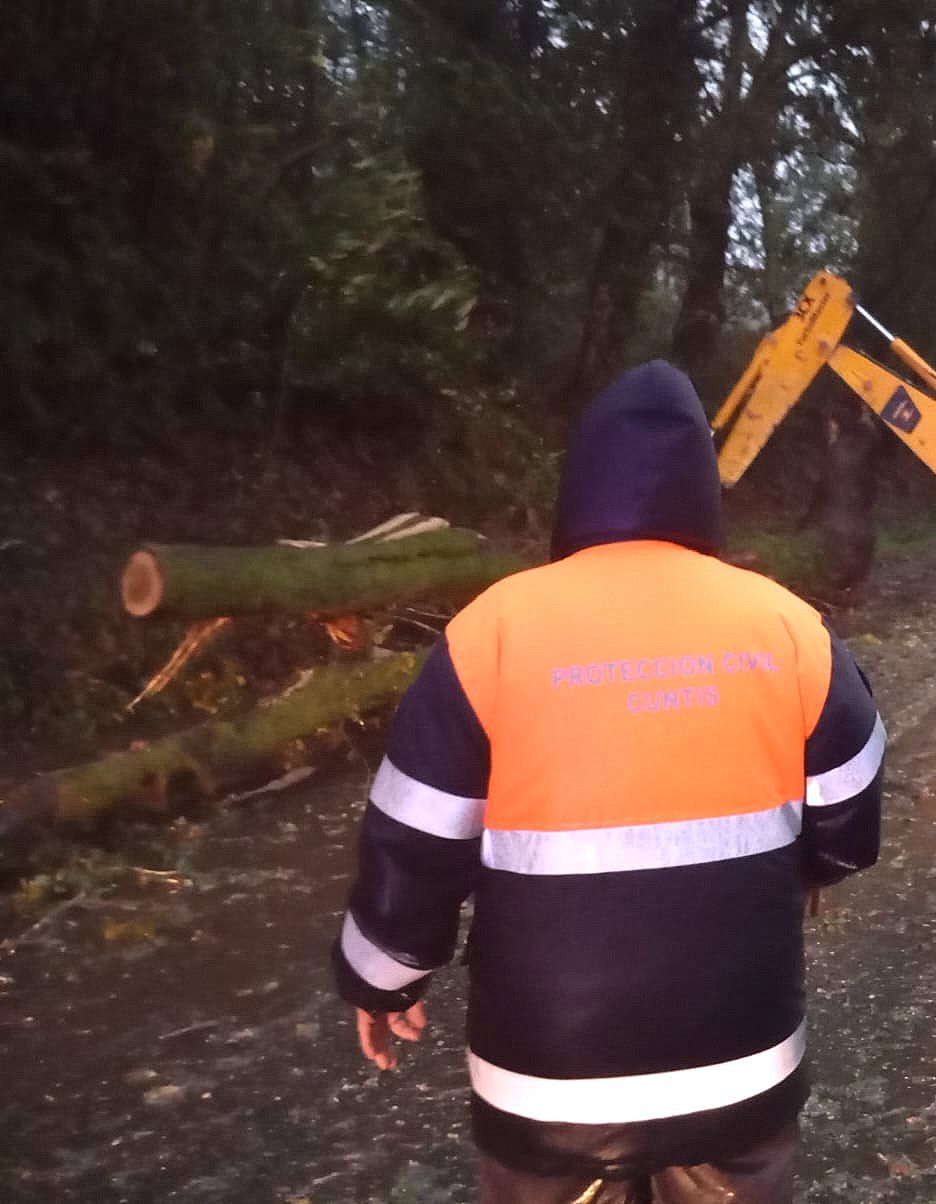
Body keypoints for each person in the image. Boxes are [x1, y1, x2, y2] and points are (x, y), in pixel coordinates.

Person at [330, 360, 885, 1203]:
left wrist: (384, 976)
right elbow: (851, 810)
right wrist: (807, 869)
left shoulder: (491, 631)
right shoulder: (786, 627)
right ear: (702, 491)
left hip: (542, 1086)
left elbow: (414, 832)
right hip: (739, 1069)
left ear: (578, 487)